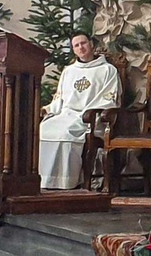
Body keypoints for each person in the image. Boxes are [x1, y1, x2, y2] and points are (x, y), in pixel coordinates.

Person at [39, 32, 120, 189]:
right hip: (66, 114)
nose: (80, 47)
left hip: (89, 117)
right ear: (73, 50)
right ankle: (46, 180)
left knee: (65, 133)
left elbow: (110, 99)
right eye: (76, 45)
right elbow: (59, 99)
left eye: (83, 43)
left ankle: (67, 181)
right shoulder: (69, 71)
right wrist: (47, 109)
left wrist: (88, 113)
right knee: (43, 129)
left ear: (91, 44)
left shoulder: (107, 70)